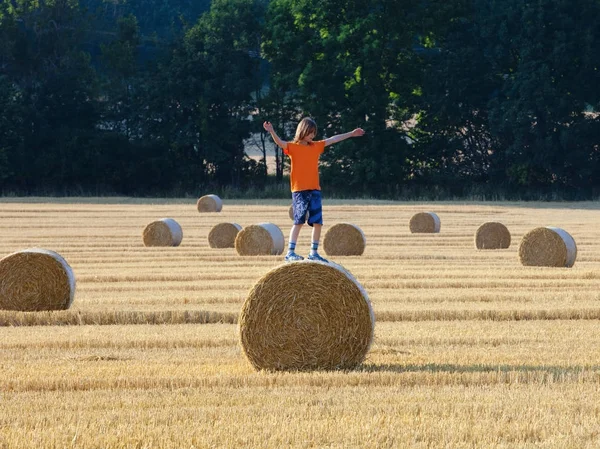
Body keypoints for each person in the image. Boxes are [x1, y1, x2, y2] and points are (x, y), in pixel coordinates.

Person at [263, 117, 365, 262]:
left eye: (313, 133)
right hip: (299, 191)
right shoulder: (293, 147)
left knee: (318, 223)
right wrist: (272, 131)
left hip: (315, 190)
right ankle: (290, 253)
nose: (312, 136)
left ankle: (313, 252)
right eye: (310, 132)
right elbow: (280, 142)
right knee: (298, 221)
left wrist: (351, 134)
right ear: (302, 131)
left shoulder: (316, 146)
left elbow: (333, 139)